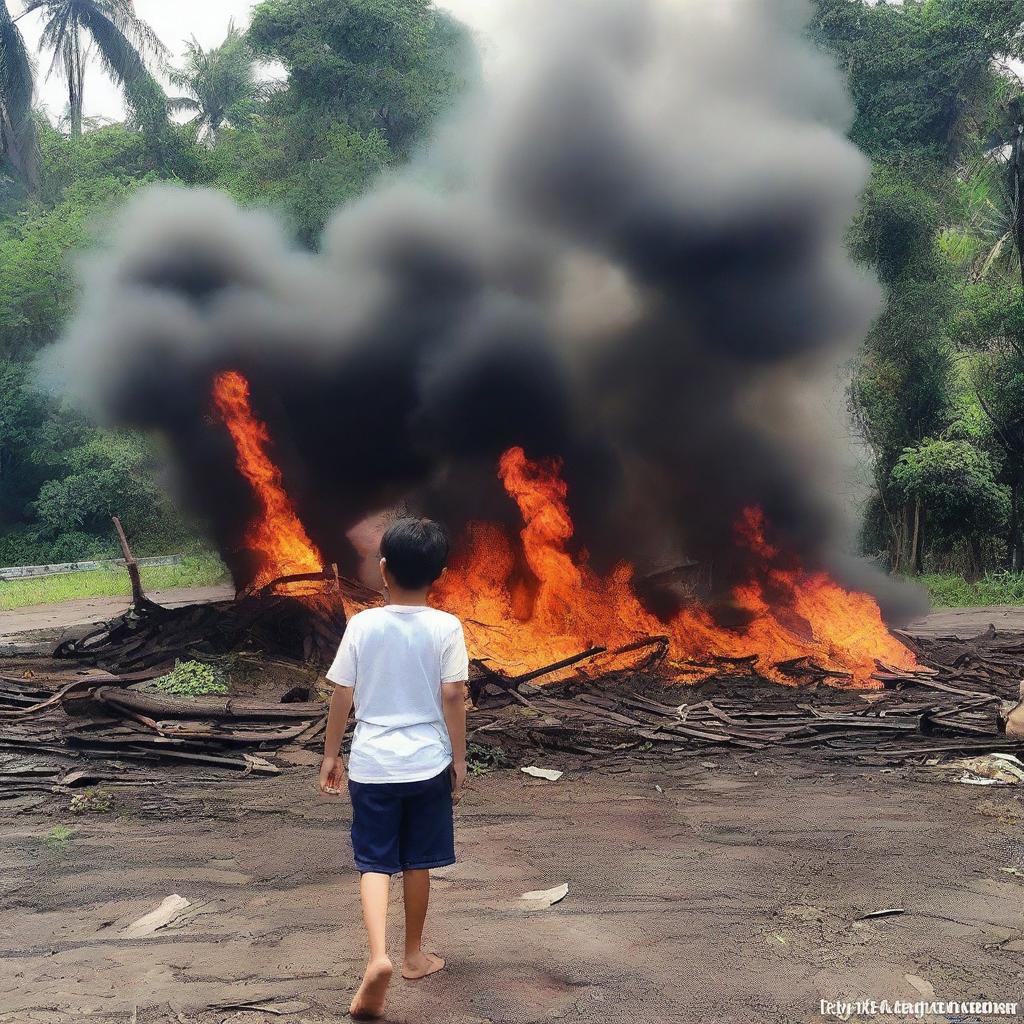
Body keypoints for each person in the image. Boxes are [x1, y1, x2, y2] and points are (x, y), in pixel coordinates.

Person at [319, 516, 469, 1020]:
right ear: (440, 574)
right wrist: (459, 756)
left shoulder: (362, 624)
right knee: (417, 860)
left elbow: (343, 692)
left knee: (374, 861)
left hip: (372, 764)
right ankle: (412, 957)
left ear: (383, 569)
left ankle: (376, 954)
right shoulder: (446, 626)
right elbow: (452, 695)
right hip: (426, 763)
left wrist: (330, 754)